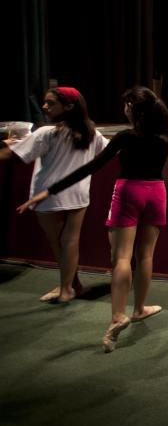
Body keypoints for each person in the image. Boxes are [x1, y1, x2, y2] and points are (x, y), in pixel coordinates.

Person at [17, 87, 168, 352]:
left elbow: (90, 168)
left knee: (122, 257)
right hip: (156, 193)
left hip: (128, 192)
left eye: (126, 104)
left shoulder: (124, 137)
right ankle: (140, 309)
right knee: (145, 256)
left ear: (132, 107)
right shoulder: (165, 135)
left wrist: (48, 191)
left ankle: (117, 316)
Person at [1, 87, 107, 303]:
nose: (44, 106)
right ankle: (73, 285)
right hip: (78, 193)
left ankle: (66, 288)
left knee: (58, 244)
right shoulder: (91, 133)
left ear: (68, 107)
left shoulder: (46, 133)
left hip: (49, 194)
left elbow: (11, 156)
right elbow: (107, 151)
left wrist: (8, 145)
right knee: (70, 242)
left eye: (50, 103)